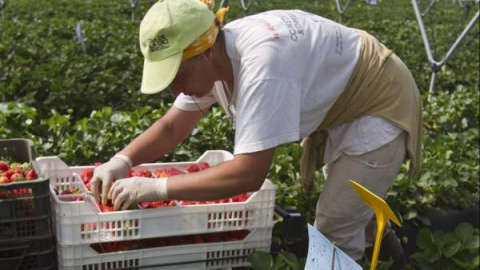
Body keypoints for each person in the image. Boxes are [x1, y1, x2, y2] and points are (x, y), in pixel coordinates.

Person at [90, 0, 422, 263]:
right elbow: (172, 125)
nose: (173, 87)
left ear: (205, 50)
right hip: (341, 93)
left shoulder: (263, 69)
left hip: (377, 100)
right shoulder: (215, 57)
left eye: (176, 74)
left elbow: (249, 173)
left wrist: (157, 187)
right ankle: (399, 260)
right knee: (353, 211)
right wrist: (122, 159)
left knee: (334, 228)